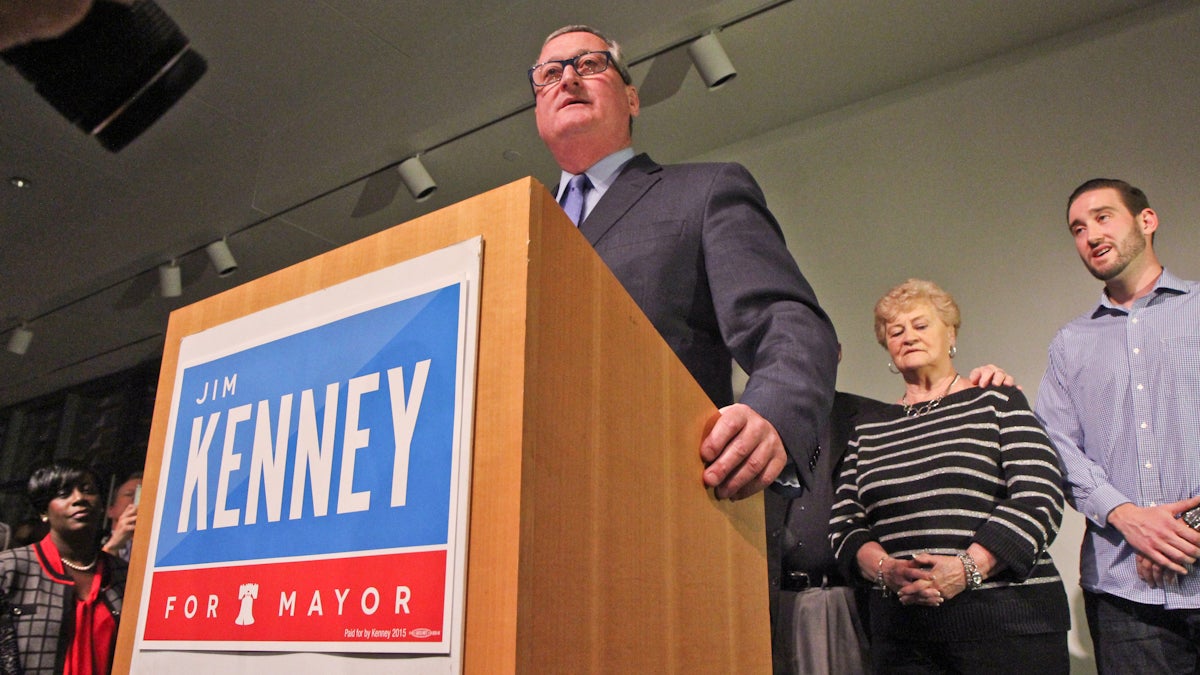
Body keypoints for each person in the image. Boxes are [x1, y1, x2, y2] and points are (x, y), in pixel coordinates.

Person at [530, 25, 838, 500]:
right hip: (528, 494)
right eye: (549, 73)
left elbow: (788, 321)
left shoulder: (705, 191)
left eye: (589, 65)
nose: (568, 78)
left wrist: (773, 414)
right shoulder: (520, 232)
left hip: (667, 499)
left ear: (632, 99)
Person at [828, 279, 1070, 674]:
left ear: (950, 333)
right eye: (896, 331)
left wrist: (967, 568)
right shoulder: (869, 429)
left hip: (1009, 630)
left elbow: (1039, 495)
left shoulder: (996, 399)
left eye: (921, 325)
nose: (908, 336)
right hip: (903, 640)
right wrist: (887, 570)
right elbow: (845, 525)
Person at [766, 349, 1017, 675]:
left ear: (837, 353)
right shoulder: (754, 420)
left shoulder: (876, 417)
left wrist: (986, 384)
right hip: (774, 602)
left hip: (857, 601)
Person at [1035, 178, 1200, 673]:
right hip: (1125, 594)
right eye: (1078, 228)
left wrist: (1184, 529)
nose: (1090, 235)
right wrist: (1128, 517)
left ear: (1146, 221)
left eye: (1103, 217)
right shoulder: (1071, 342)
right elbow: (1054, 446)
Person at [0, 461, 128, 674]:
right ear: (44, 510)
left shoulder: (123, 575)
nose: (79, 499)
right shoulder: (9, 569)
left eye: (88, 491)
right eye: (63, 493)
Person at [101, 471, 141, 562]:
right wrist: (113, 545)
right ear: (111, 509)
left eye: (143, 495)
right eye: (129, 494)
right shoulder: (93, 542)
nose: (137, 499)